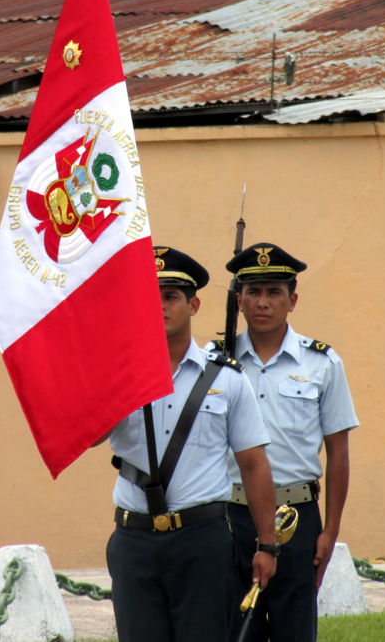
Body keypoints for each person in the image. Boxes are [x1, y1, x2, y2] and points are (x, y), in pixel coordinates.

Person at [103, 245, 279, 642]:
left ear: (193, 305)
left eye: (171, 297)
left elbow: (253, 464)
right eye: (150, 297)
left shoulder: (228, 379)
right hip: (134, 540)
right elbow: (91, 435)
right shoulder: (118, 376)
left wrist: (267, 543)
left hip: (201, 541)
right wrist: (113, 383)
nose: (160, 306)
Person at [223, 242, 359, 642]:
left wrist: (330, 529)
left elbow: (338, 452)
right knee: (235, 630)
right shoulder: (216, 364)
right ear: (239, 300)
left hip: (296, 517)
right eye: (254, 292)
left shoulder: (322, 363)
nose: (263, 302)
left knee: (294, 630)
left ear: (292, 300)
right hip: (231, 518)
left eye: (274, 292)